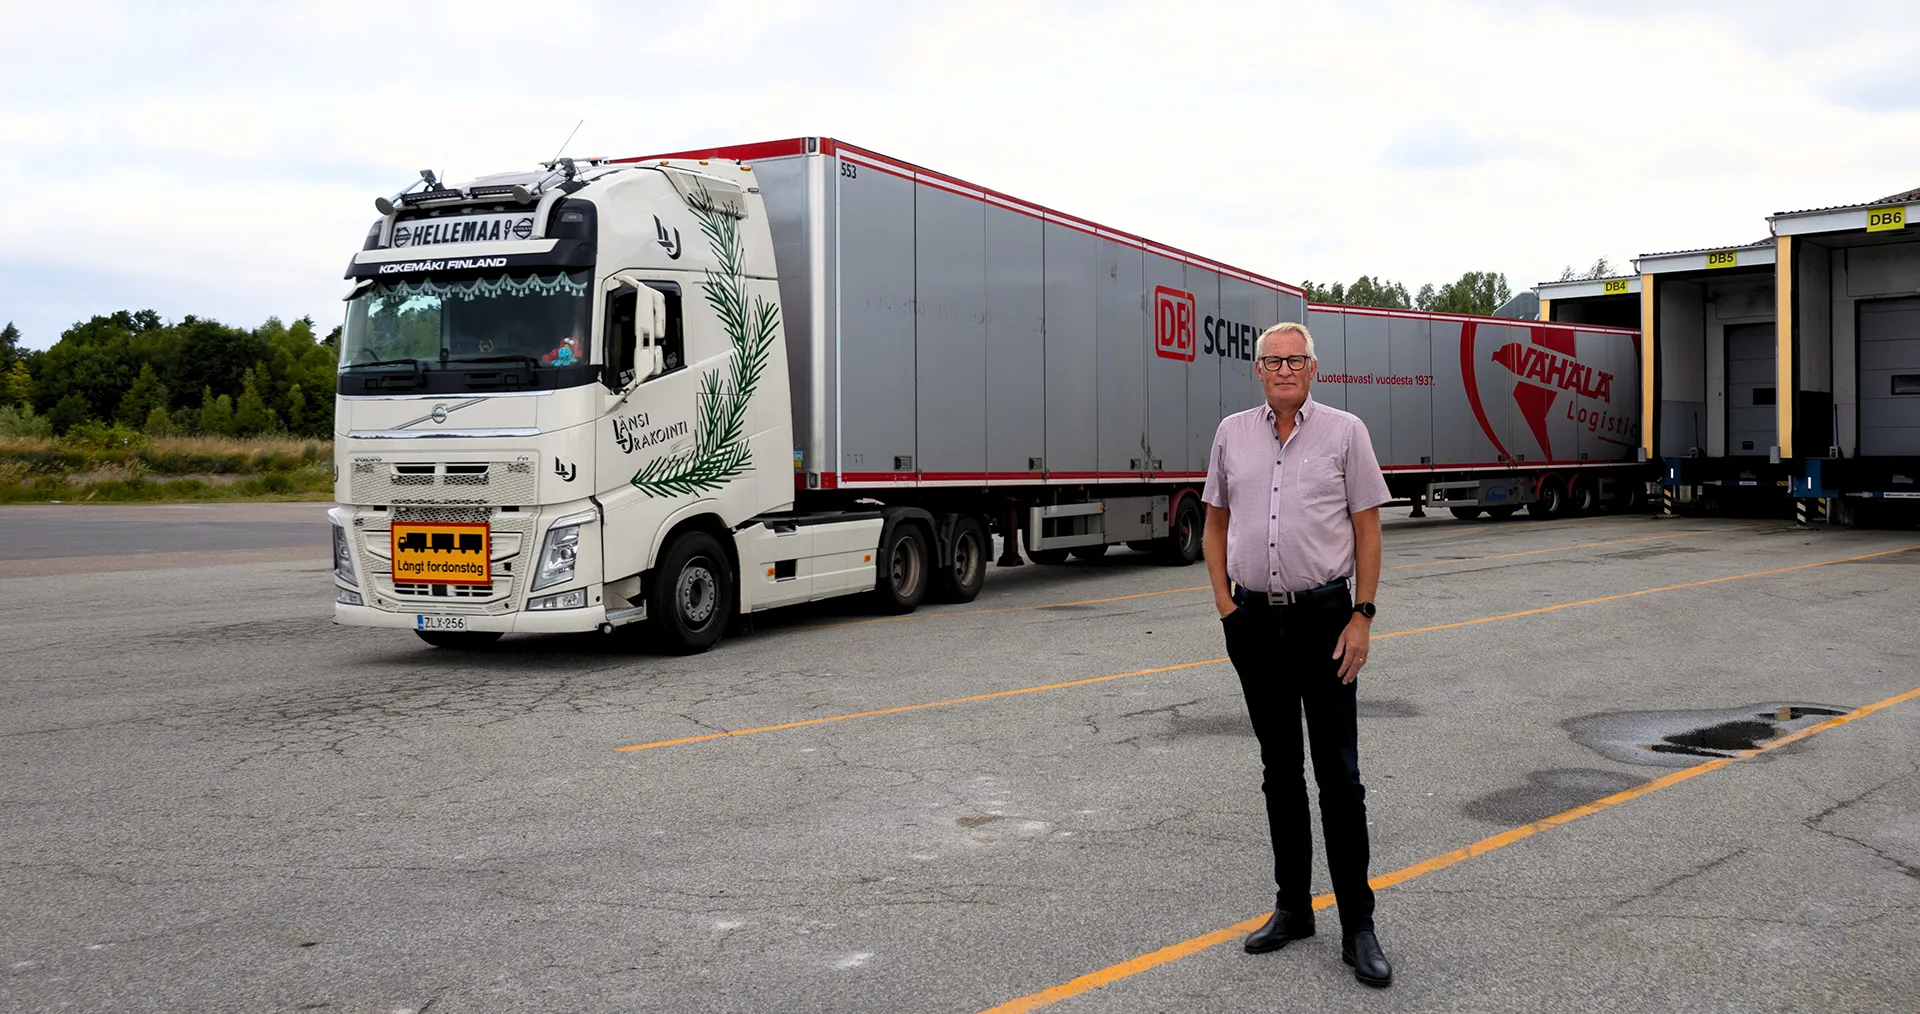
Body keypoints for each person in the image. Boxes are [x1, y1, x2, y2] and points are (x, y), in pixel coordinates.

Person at [1200, 320, 1394, 988]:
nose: (1283, 369)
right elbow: (1215, 520)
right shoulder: (1232, 432)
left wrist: (1362, 615)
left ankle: (1358, 927)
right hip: (1254, 623)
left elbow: (1368, 529)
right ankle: (1292, 908)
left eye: (1295, 360)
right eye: (1271, 360)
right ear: (1258, 370)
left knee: (1339, 777)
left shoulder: (1346, 432)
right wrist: (1227, 605)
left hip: (1325, 621)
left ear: (1314, 368)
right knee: (1278, 770)